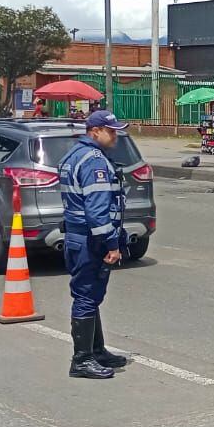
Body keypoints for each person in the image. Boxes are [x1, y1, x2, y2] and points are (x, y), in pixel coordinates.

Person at [57, 109, 132, 380]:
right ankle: (82, 360)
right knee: (87, 296)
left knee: (91, 295)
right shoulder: (94, 161)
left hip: (79, 237)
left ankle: (96, 350)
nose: (115, 136)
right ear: (94, 131)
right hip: (90, 239)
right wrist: (111, 243)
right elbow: (97, 210)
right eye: (111, 131)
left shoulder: (73, 155)